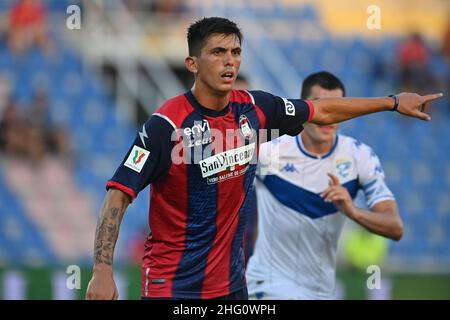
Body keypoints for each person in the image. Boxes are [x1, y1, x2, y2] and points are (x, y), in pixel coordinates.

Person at [85, 17, 442, 300]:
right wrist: (102, 270)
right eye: (218, 52)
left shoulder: (254, 108)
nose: (230, 61)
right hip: (172, 286)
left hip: (231, 286)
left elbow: (322, 110)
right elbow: (118, 195)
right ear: (192, 63)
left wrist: (392, 102)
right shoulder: (163, 126)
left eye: (236, 52)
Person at [246, 71, 404, 300]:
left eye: (337, 108)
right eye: (323, 107)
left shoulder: (359, 156)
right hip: (268, 284)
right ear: (305, 109)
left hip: (322, 290)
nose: (330, 117)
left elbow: (395, 227)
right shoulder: (270, 151)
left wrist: (353, 211)